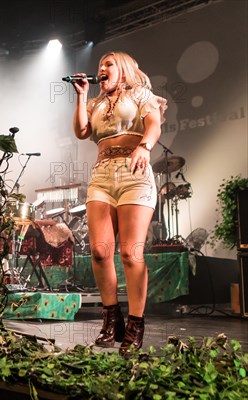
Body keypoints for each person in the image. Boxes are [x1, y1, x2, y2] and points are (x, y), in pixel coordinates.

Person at [70, 51, 167, 354]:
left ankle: (136, 323)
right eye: (100, 65)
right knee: (100, 252)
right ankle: (112, 318)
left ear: (123, 68)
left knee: (130, 253)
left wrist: (145, 147)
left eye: (108, 64)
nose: (102, 69)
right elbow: (82, 132)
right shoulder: (96, 102)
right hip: (102, 175)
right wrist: (82, 96)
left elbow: (153, 125)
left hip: (133, 173)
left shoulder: (140, 94)